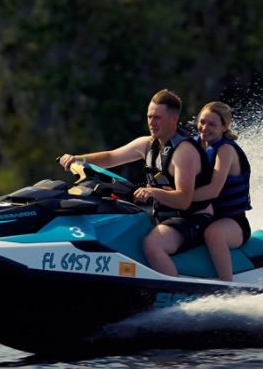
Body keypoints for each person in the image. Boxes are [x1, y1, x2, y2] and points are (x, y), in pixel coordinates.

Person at [57, 89, 212, 276]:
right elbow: (111, 157)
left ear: (174, 118)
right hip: (164, 215)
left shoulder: (184, 151)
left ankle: (177, 294)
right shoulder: (148, 144)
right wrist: (78, 158)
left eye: (157, 117)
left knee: (152, 245)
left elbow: (184, 200)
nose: (151, 123)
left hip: (193, 219)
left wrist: (153, 192)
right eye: (149, 117)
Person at [190, 101, 252, 281]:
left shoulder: (225, 150)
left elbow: (213, 191)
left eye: (212, 124)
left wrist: (180, 198)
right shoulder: (193, 145)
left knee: (213, 233)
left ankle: (227, 286)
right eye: (202, 122)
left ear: (224, 127)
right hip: (203, 215)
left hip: (233, 222)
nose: (204, 128)